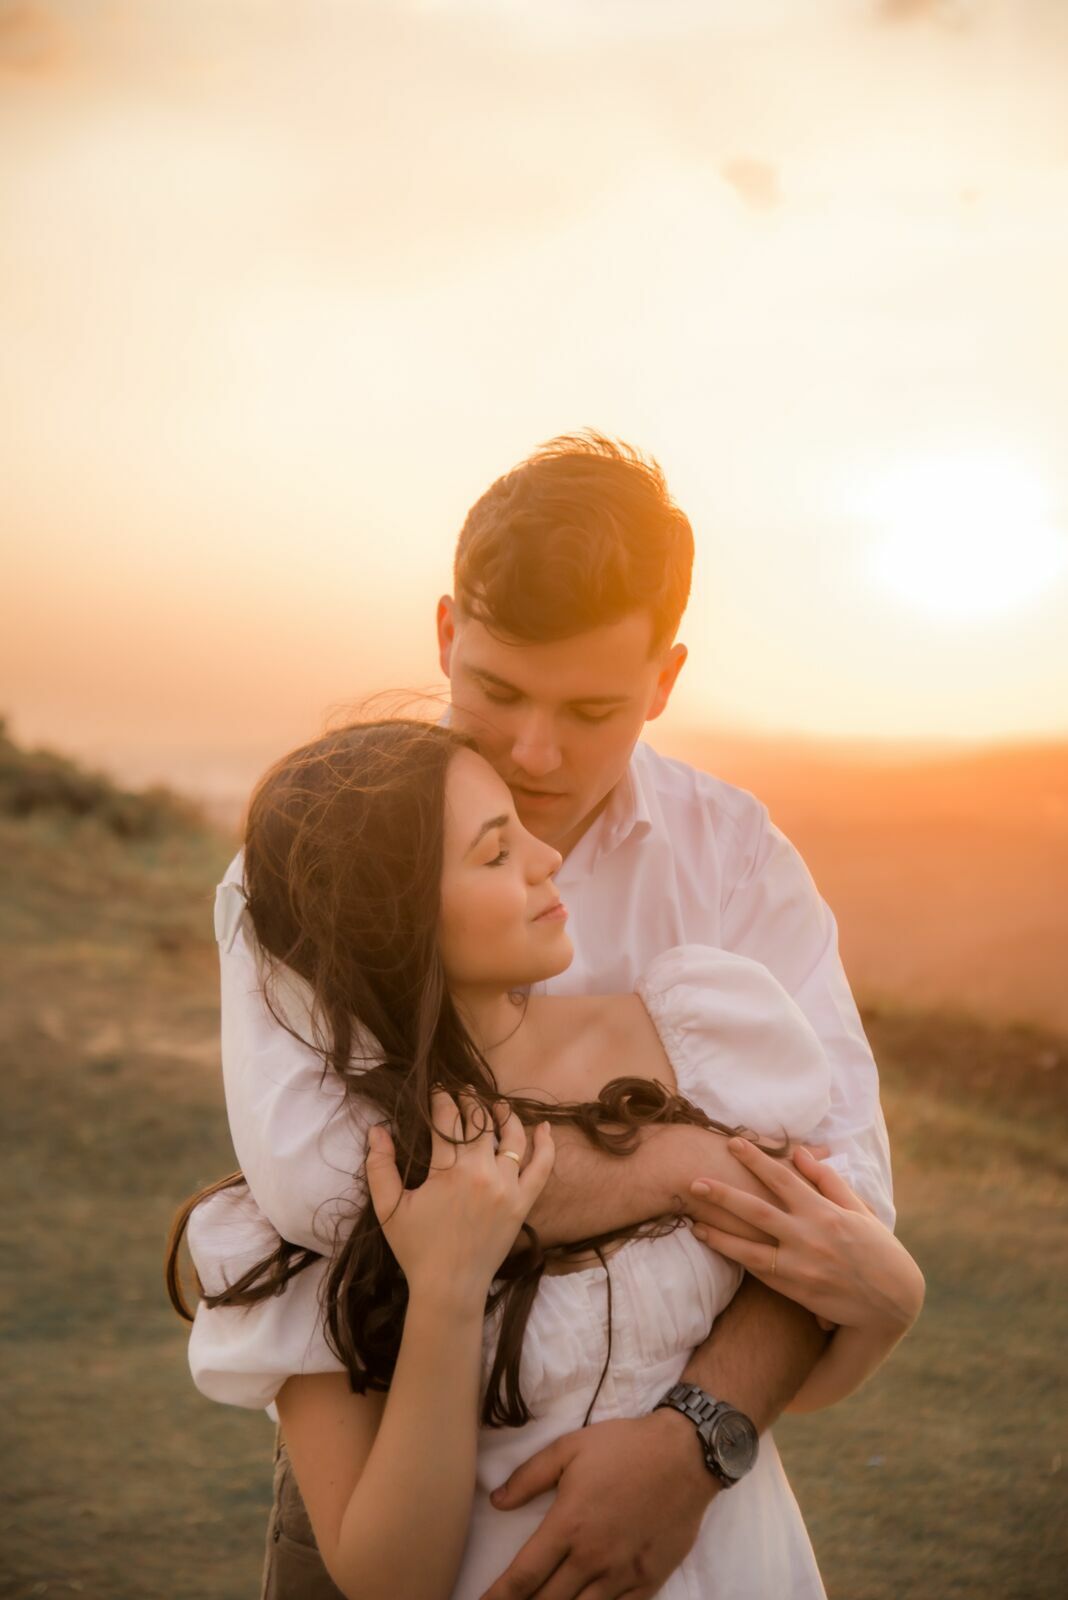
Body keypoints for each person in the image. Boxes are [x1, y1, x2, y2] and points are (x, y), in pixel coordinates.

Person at [189, 433, 900, 1599]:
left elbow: (845, 1206)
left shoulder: (735, 864)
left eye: (591, 707)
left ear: (665, 680)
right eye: (498, 688)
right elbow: (324, 1181)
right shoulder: (318, 863)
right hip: (384, 1466)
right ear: (443, 636)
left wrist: (691, 1441)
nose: (533, 751)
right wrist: (691, 1159)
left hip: (695, 1501)